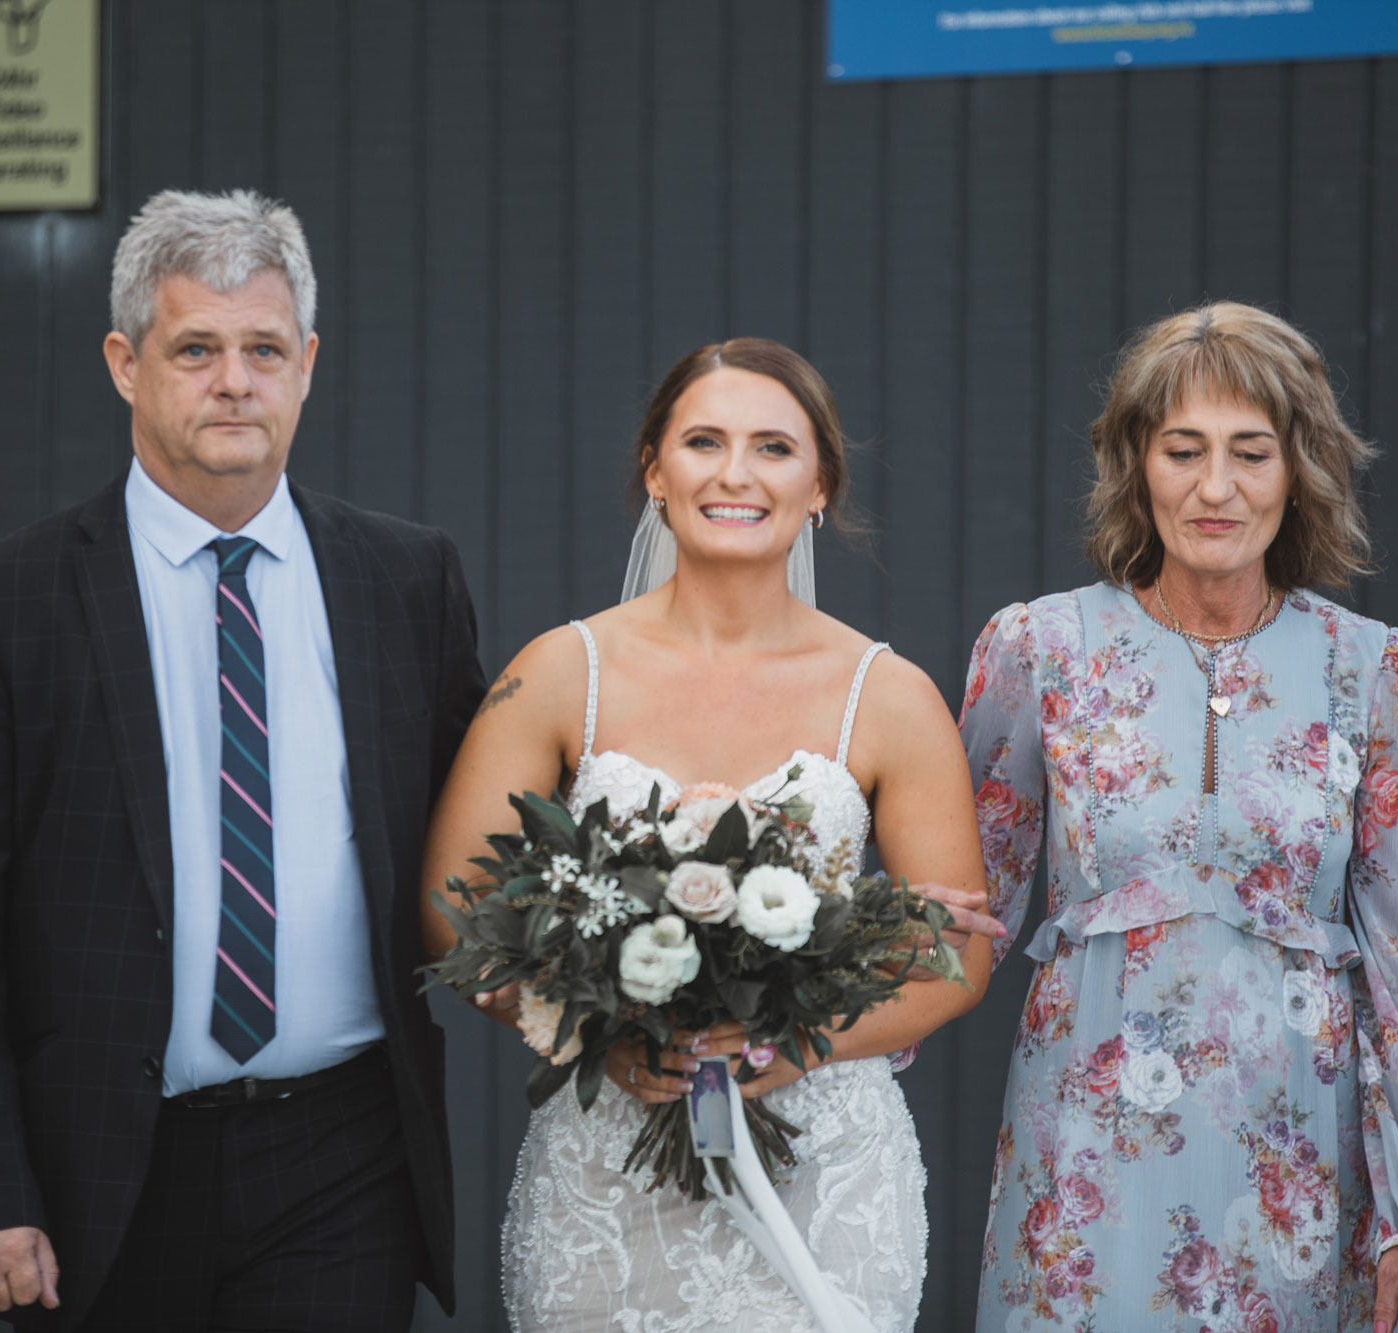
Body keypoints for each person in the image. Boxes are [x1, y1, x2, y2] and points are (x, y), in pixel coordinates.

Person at [0, 190, 486, 1331]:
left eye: (263, 348)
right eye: (194, 348)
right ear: (124, 363)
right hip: (103, 1164)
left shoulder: (405, 580)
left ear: (306, 363)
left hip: (342, 1153)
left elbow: (487, 838)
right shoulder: (4, 600)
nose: (233, 381)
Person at [420, 338, 1005, 1331]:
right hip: (605, 1170)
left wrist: (795, 1045)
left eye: (772, 447)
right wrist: (588, 1031)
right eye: (702, 441)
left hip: (821, 1171)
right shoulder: (563, 670)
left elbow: (958, 954)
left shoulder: (890, 695)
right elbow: (450, 911)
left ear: (819, 483)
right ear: (654, 468)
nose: (734, 473)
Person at [962, 302, 1398, 1333]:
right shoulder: (1037, 650)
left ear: (1297, 469)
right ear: (1134, 464)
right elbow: (949, 916)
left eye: (1249, 452)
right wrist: (785, 1051)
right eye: (1181, 450)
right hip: (1083, 1158)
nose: (1215, 488)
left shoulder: (1372, 670)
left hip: (1297, 1164)